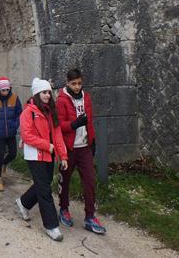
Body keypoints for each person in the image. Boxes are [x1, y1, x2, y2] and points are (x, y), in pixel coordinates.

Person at [15, 78, 68, 242]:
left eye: (49, 93)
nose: (47, 95)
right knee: (45, 190)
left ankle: (23, 203)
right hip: (35, 155)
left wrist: (63, 155)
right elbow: (27, 135)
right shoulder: (28, 112)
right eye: (44, 92)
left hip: (49, 154)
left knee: (42, 184)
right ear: (37, 93)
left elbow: (57, 135)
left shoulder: (51, 112)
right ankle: (51, 226)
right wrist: (47, 145)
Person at [56, 68, 106, 234]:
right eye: (73, 84)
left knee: (90, 181)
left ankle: (90, 216)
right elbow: (59, 125)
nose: (77, 87)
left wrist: (92, 141)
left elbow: (89, 121)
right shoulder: (62, 100)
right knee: (65, 179)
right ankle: (63, 209)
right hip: (68, 148)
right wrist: (74, 124)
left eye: (79, 83)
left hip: (84, 146)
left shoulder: (87, 98)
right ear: (67, 83)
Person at [0, 76, 22, 192]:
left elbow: (19, 113)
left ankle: (3, 165)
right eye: (3, 90)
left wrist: (16, 124)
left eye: (7, 90)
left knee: (13, 153)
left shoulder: (15, 98)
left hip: (11, 132)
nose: (5, 92)